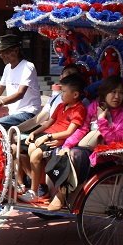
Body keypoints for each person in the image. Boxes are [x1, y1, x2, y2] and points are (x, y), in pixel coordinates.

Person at [49, 75, 123, 211]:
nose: (117, 96)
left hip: (106, 156)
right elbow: (83, 129)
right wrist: (67, 145)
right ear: (105, 93)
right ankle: (52, 190)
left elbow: (116, 140)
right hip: (87, 150)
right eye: (113, 92)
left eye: (121, 93)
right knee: (62, 151)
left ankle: (62, 194)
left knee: (77, 154)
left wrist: (102, 121)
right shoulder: (94, 106)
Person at [19, 74, 87, 203]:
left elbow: (69, 132)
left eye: (64, 92)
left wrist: (47, 136)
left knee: (35, 156)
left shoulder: (79, 110)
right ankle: (25, 183)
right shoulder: (61, 106)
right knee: (16, 149)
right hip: (45, 134)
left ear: (75, 95)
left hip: (53, 139)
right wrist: (35, 132)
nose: (61, 94)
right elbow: (49, 122)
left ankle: (34, 191)